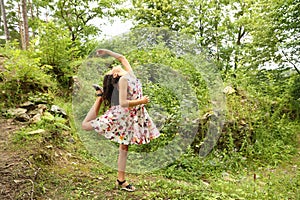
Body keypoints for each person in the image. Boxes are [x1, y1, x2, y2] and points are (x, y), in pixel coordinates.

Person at [81, 49, 160, 192]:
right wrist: (141, 100)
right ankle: (100, 97)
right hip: (121, 115)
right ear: (116, 74)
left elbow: (122, 57)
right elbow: (123, 103)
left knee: (124, 148)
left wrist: (106, 51)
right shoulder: (123, 80)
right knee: (86, 126)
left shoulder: (130, 76)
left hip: (131, 118)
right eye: (113, 69)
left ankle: (121, 180)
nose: (115, 67)